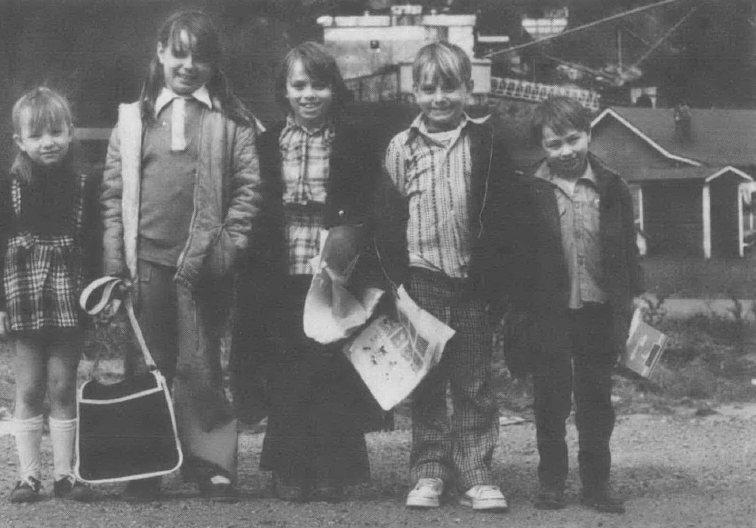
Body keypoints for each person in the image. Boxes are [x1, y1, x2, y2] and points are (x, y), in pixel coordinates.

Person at [231, 41, 406, 503]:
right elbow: (254, 209)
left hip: (334, 276)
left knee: (332, 370)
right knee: (288, 370)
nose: (310, 94)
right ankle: (289, 468)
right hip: (280, 274)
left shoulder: (353, 144)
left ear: (334, 89)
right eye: (299, 85)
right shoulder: (264, 144)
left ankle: (336, 468)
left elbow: (372, 210)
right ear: (285, 91)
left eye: (320, 85)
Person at [99, 10, 261, 503]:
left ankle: (210, 464)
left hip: (203, 266)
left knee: (203, 363)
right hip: (146, 263)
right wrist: (114, 260)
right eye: (180, 53)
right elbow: (112, 196)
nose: (189, 65)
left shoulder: (232, 122)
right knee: (147, 364)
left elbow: (247, 193)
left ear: (214, 64)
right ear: (161, 52)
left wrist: (227, 248)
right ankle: (144, 465)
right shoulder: (133, 119)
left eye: (202, 57)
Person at [384, 41, 514, 512]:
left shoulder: (486, 142)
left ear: (468, 88)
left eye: (450, 87)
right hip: (421, 284)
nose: (440, 98)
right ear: (414, 91)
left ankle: (476, 471)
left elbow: (501, 215)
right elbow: (389, 217)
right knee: (426, 385)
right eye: (428, 88)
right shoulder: (402, 148)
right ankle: (429, 471)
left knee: (475, 384)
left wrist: (497, 279)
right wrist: (395, 285)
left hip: (471, 284)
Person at [505, 96, 644, 513]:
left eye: (573, 139)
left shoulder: (612, 185)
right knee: (550, 397)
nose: (566, 151)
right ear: (541, 148)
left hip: (599, 307)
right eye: (554, 144)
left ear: (588, 133)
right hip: (548, 310)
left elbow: (627, 249)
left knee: (595, 398)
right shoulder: (529, 188)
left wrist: (633, 296)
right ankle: (551, 482)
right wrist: (518, 309)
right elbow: (516, 254)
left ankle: (596, 484)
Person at [0, 87, 98, 503]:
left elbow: (95, 248)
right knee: (29, 388)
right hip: (24, 300)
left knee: (63, 385)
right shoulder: (8, 187)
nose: (48, 142)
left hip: (69, 298)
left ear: (70, 133)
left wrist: (100, 294)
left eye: (56, 132)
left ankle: (67, 475)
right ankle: (29, 477)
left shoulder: (86, 185)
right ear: (20, 142)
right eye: (37, 135)